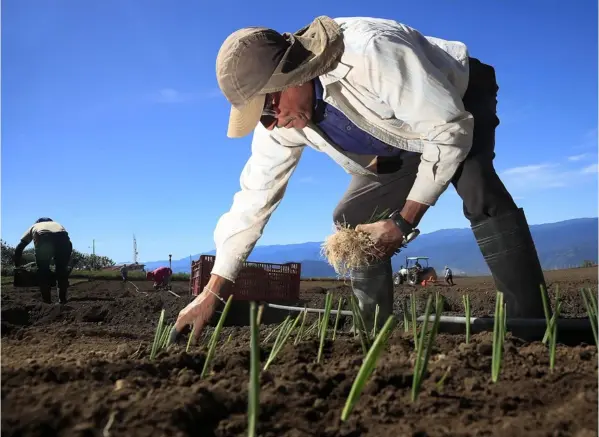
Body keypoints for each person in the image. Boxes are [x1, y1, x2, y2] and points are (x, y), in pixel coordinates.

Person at [174, 16, 549, 339]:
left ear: (291, 74)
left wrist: (402, 223)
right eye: (261, 117)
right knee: (352, 219)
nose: (272, 122)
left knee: (476, 184)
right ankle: (372, 331)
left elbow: (447, 131)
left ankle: (532, 325)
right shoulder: (281, 122)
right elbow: (253, 201)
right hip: (395, 138)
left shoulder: (372, 52)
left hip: (454, 100)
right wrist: (213, 293)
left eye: (269, 108)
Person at [13, 217, 73, 304]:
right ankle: (62, 300)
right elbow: (69, 243)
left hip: (44, 238)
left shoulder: (35, 226)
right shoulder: (57, 224)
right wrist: (64, 261)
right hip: (63, 239)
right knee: (61, 271)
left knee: (43, 271)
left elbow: (20, 246)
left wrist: (17, 264)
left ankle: (47, 301)